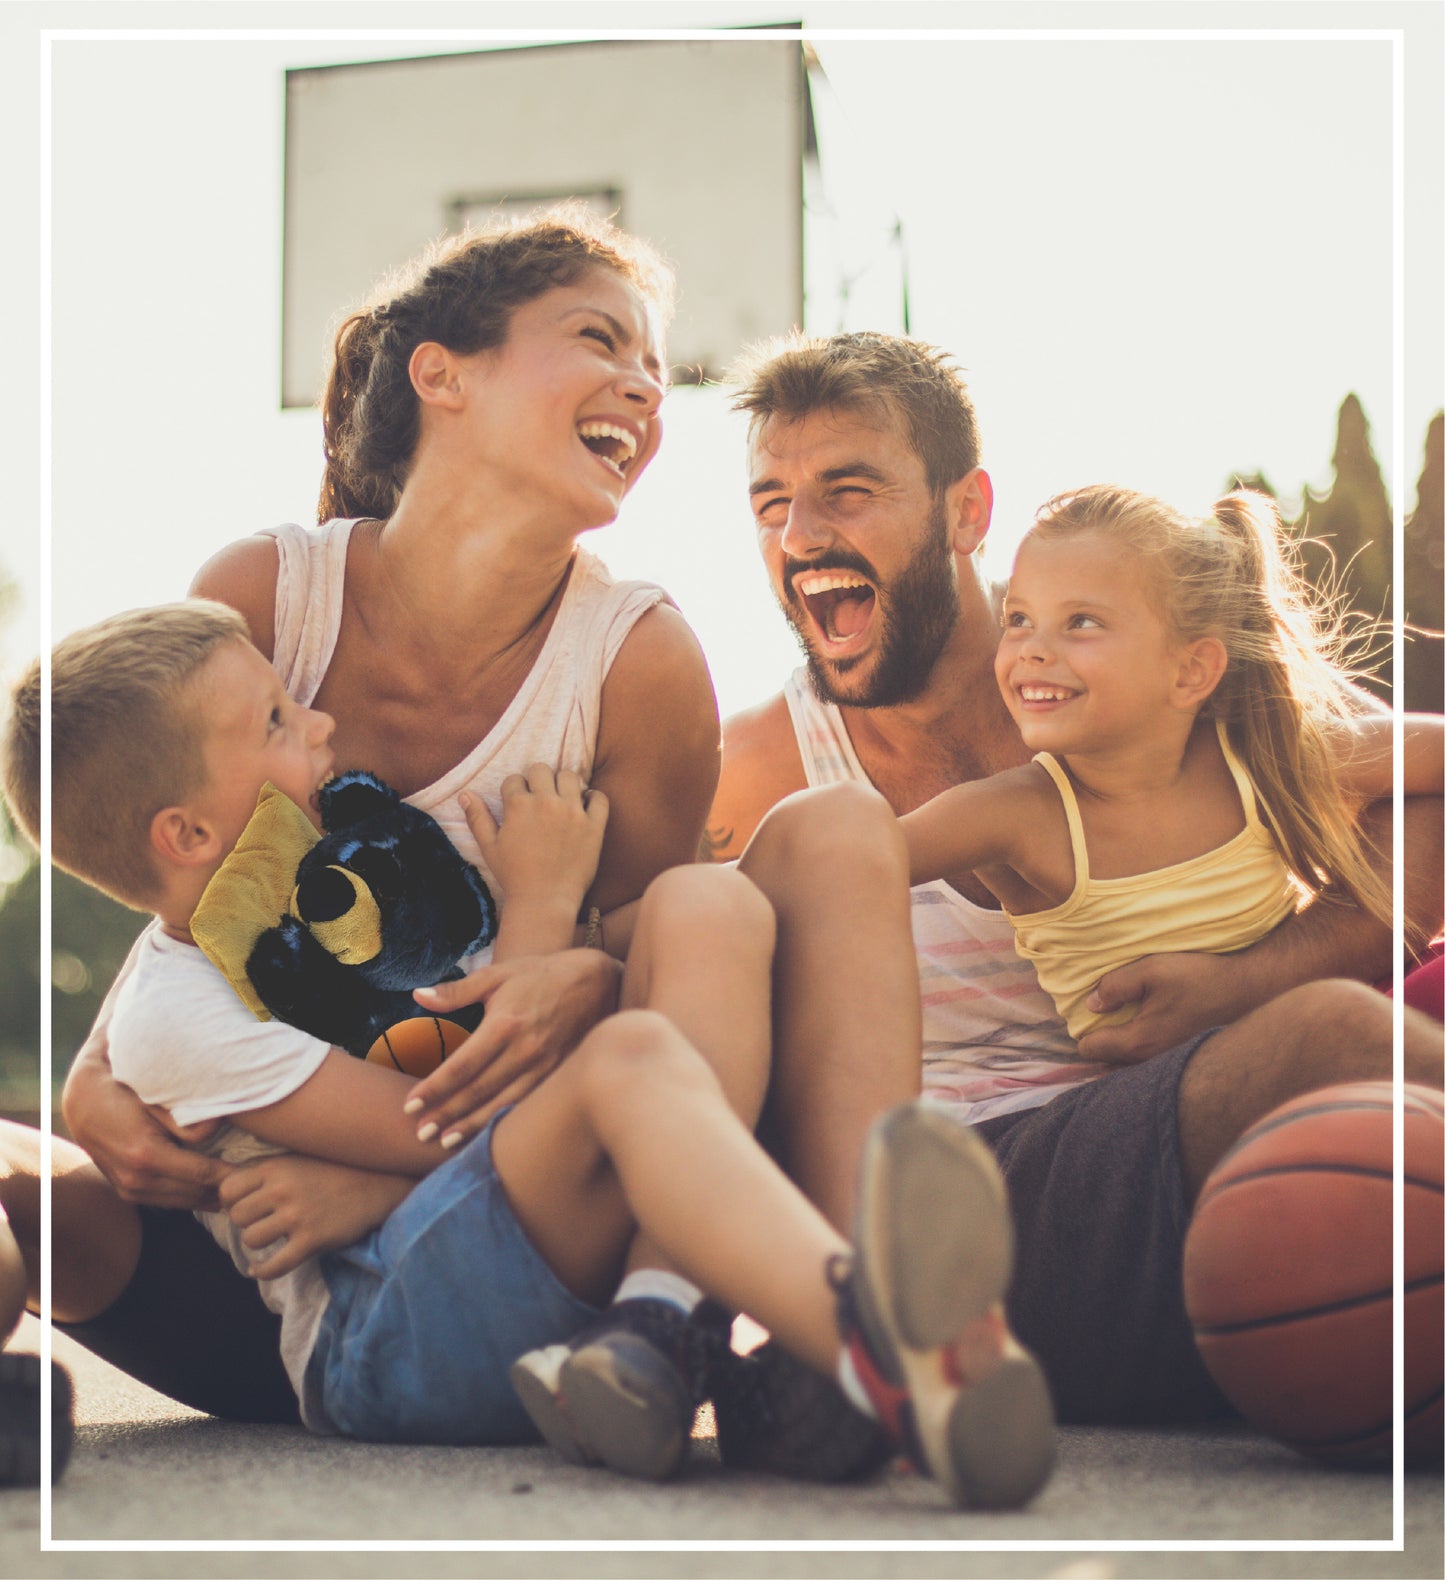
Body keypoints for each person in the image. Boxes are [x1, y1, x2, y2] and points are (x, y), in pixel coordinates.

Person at [1, 600, 1056, 1508]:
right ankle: (879, 1341)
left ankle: (674, 1323)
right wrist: (542, 913)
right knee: (632, 1060)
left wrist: (587, 943)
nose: (318, 722)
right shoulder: (173, 1011)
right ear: (184, 835)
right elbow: (451, 1120)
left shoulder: (347, 876)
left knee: (706, 900)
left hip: (484, 1250)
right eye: (277, 719)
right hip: (385, 1335)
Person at [707, 330, 1445, 1429]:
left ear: (966, 511)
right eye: (770, 503)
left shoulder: (1129, 676)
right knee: (1336, 1040)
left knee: (1354, 1083)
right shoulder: (761, 763)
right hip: (970, 1198)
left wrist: (1241, 980)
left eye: (845, 491)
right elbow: (667, 943)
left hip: (1185, 1138)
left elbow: (1409, 781)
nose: (800, 534)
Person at [899, 482, 1445, 1042]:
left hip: (1332, 1020)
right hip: (1186, 1085)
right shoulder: (1010, 813)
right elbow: (851, 862)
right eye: (1017, 618)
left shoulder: (1255, 761)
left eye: (1081, 621)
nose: (1031, 649)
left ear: (1190, 672)